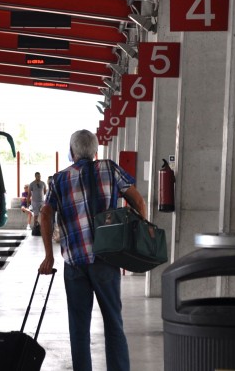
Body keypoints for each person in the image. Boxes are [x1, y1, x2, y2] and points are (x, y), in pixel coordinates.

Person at [38, 129, 147, 371]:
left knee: (79, 329)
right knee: (113, 324)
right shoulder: (110, 169)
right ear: (96, 151)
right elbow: (138, 201)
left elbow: (45, 214)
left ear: (71, 152)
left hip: (75, 263)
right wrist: (137, 241)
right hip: (106, 260)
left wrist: (48, 255)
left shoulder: (58, 179)